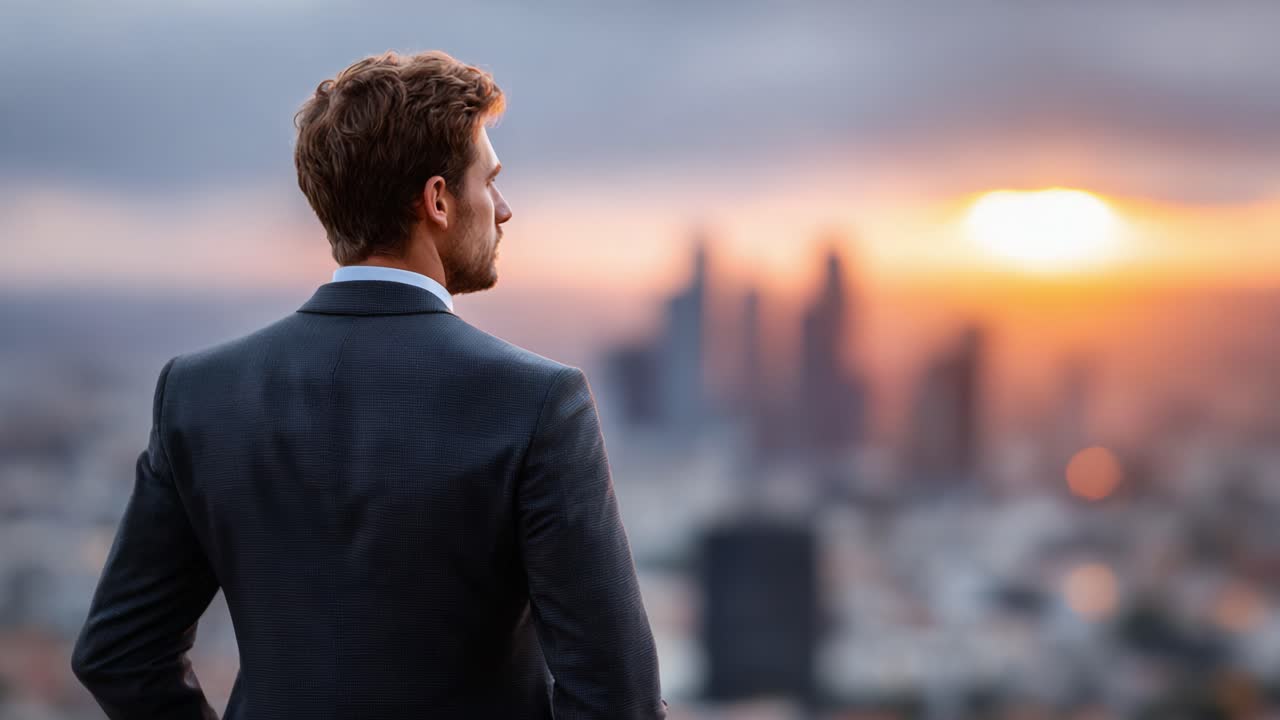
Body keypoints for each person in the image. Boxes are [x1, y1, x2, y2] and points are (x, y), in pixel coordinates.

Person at [70, 50, 666, 720]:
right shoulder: (536, 402)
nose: (502, 210)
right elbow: (618, 699)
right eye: (489, 182)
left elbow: (118, 654)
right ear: (438, 200)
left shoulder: (200, 394)